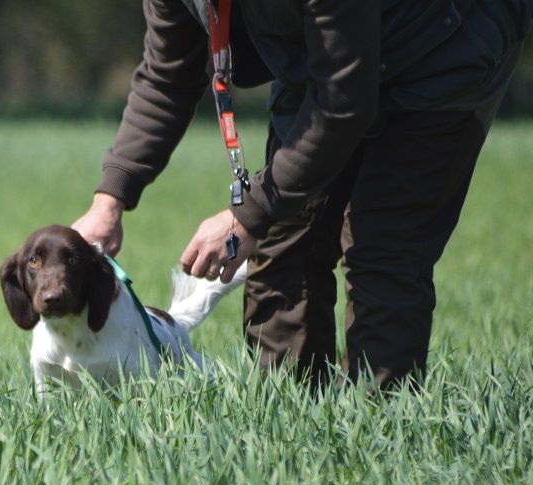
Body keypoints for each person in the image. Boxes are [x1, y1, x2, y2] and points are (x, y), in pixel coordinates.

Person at [72, 0, 530, 389]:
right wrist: (109, 199)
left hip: (441, 45)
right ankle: (292, 426)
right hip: (321, 60)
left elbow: (345, 103)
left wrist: (248, 215)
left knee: (383, 252)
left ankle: (382, 432)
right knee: (283, 241)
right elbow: (166, 76)